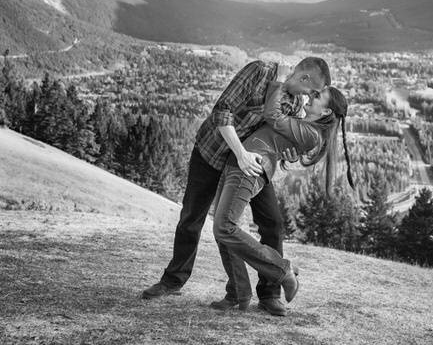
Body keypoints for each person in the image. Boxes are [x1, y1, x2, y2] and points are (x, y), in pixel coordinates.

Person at [141, 57, 330, 316]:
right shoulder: (260, 72)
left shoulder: (295, 102)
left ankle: (269, 293)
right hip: (214, 153)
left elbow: (281, 135)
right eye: (312, 91)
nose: (310, 97)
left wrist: (288, 154)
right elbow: (223, 110)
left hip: (249, 165)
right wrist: (240, 152)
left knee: (272, 223)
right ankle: (173, 280)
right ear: (304, 78)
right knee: (192, 219)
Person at [211, 83, 354, 311]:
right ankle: (239, 292)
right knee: (224, 232)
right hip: (239, 161)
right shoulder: (304, 124)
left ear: (326, 111)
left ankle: (282, 270)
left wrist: (280, 82)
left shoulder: (312, 134)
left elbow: (272, 115)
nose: (311, 94)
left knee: (224, 227)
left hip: (251, 167)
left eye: (317, 96)